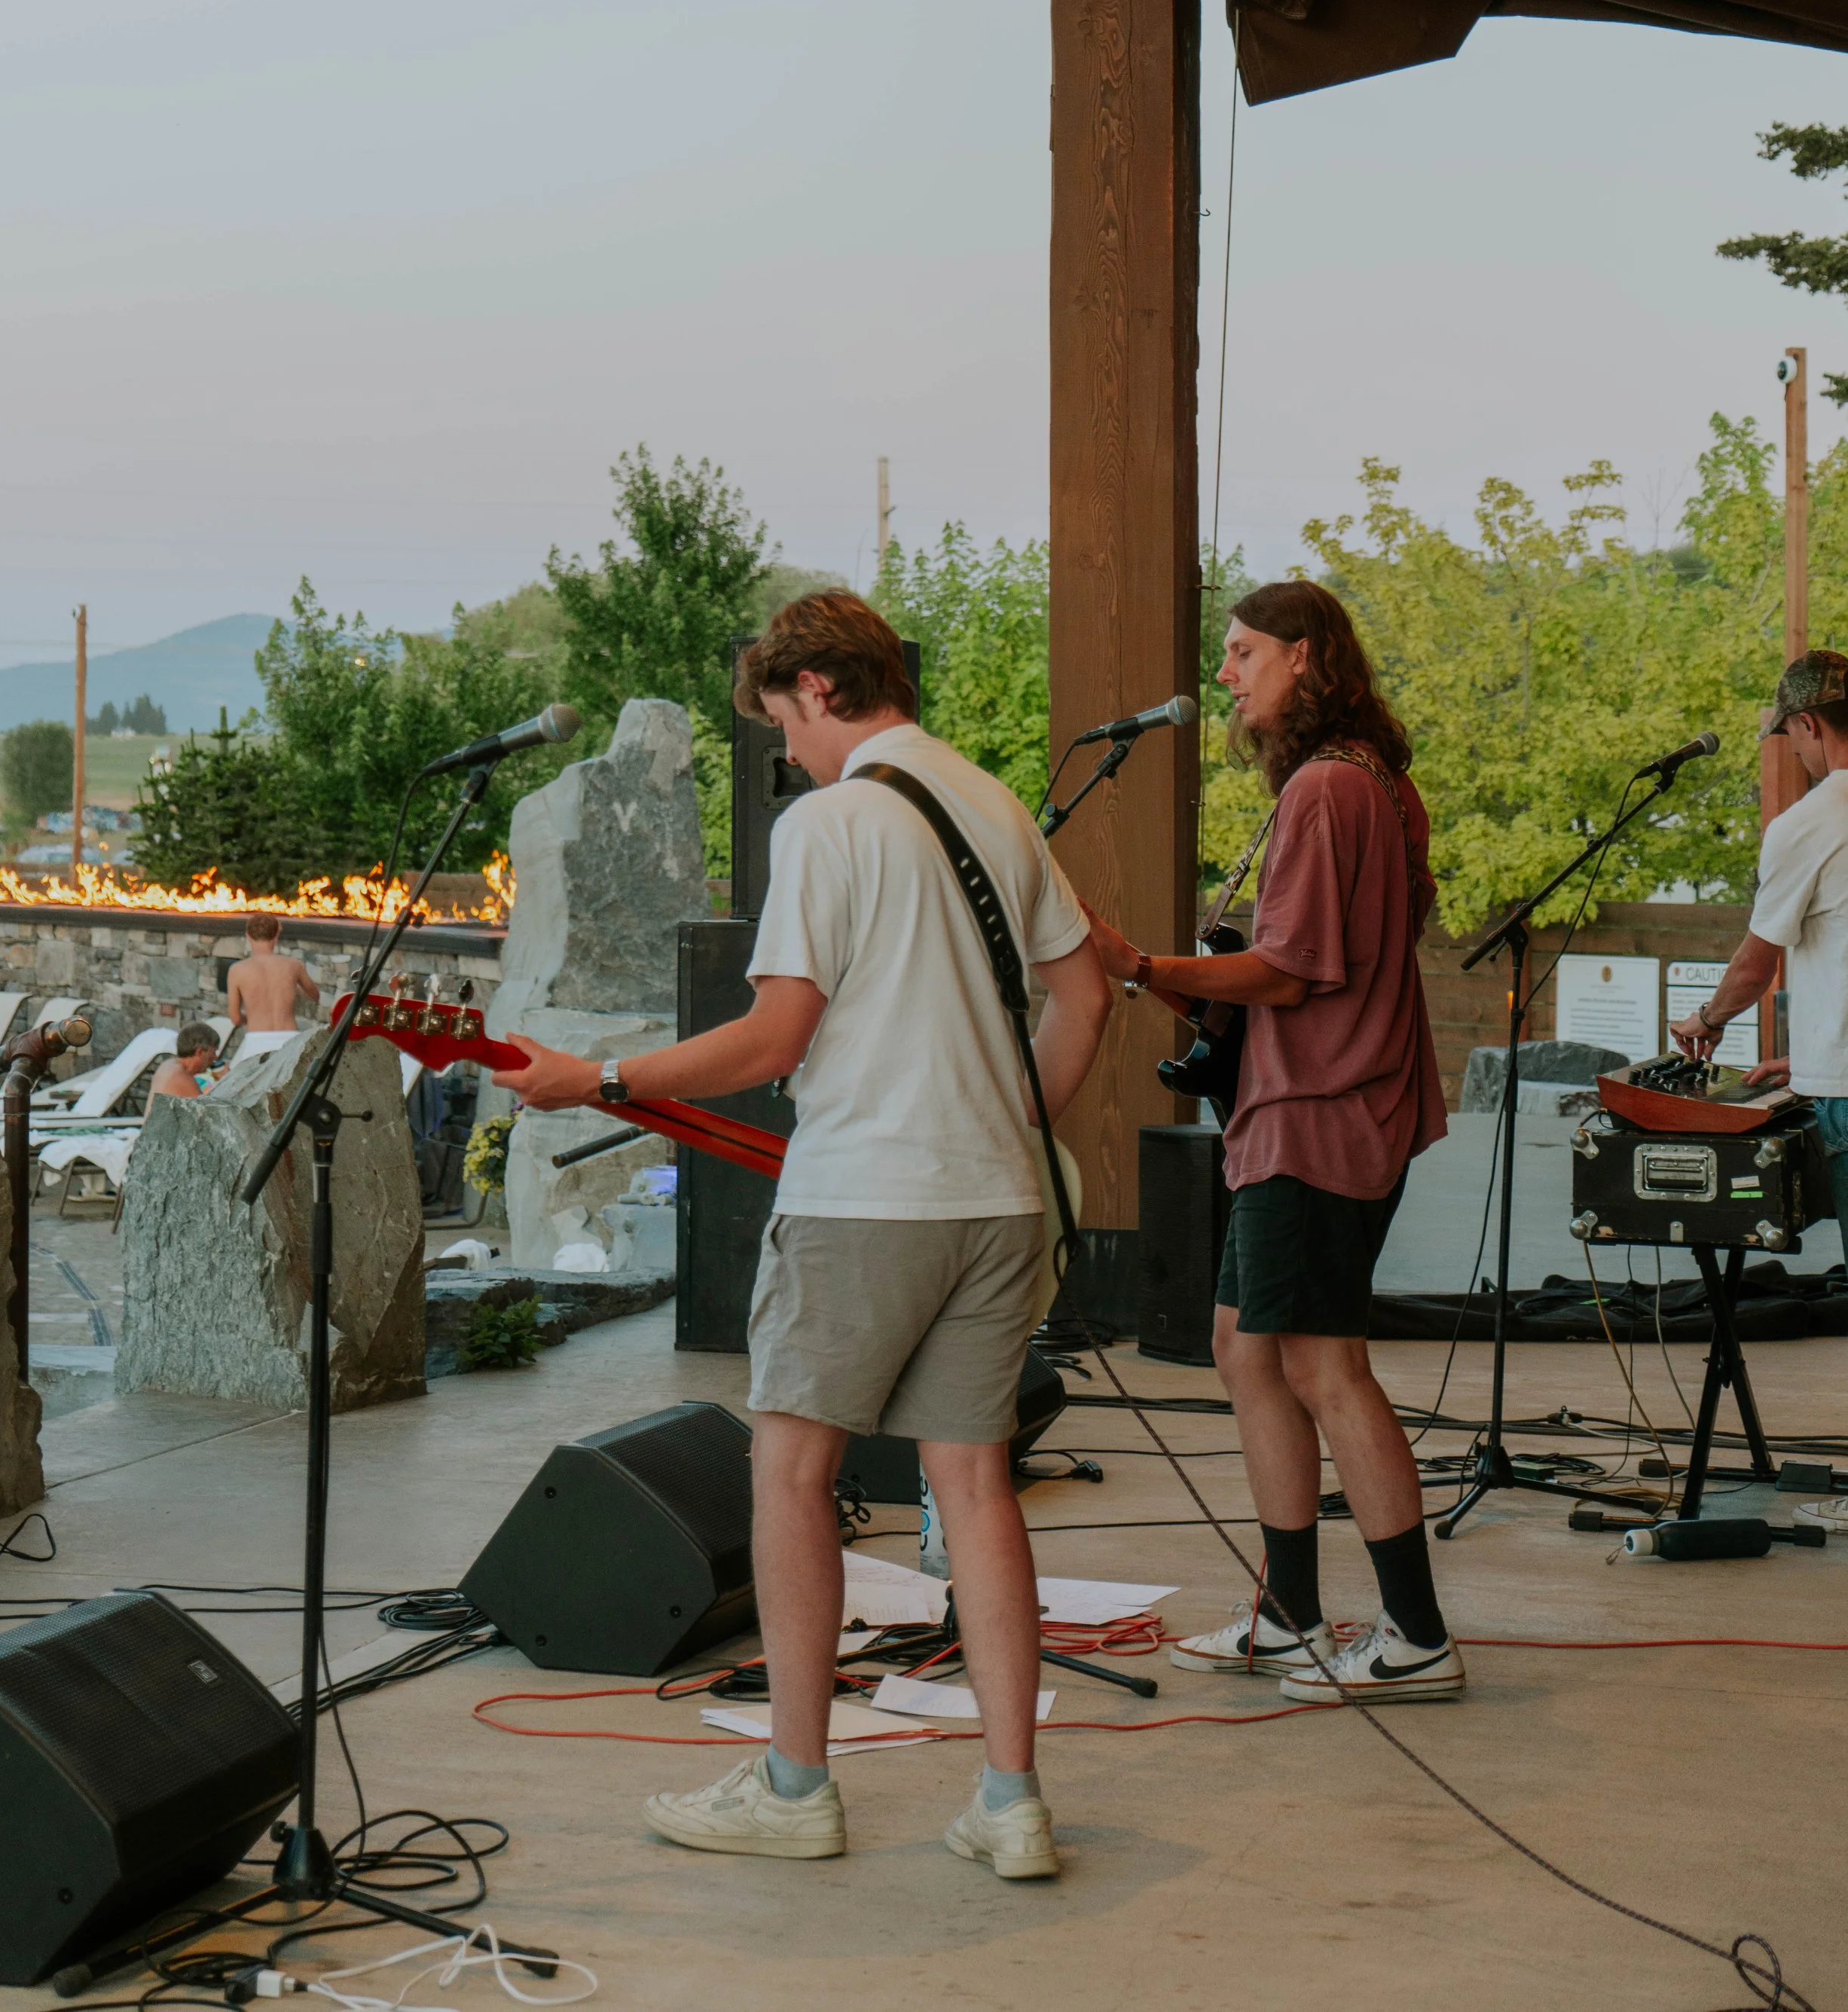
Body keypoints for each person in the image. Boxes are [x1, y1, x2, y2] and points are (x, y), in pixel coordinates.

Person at [493, 593, 1110, 1876]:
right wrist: (1005, 1120)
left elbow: (774, 1040)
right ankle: (1011, 1803)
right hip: (1001, 1198)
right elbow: (1086, 990)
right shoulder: (994, 802)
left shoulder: (830, 824)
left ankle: (794, 1786)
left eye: (783, 723)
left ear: (819, 688)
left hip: (865, 1199)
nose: (788, 752)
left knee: (788, 1476)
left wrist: (599, 1081)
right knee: (975, 1483)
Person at [1083, 579, 1461, 1704]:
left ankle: (1417, 1636)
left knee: (1325, 1366)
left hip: (1319, 1118)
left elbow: (1292, 973)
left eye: (1245, 652)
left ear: (1305, 657)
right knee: (1247, 1348)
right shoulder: (1374, 785)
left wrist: (1142, 966)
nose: (1228, 673)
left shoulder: (1327, 792)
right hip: (1321, 1110)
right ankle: (1291, 1614)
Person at [1669, 650, 1848, 1260]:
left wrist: (1708, 1020)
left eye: (1791, 736)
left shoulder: (1809, 824)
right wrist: (1812, 1056)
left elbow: (1755, 965)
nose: (1795, 751)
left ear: (1808, 724)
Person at [226, 914, 319, 1039]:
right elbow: (315, 995)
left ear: (248, 936)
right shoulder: (293, 965)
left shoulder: (237, 970)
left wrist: (252, 1018)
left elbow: (236, 1019)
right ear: (276, 936)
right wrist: (293, 990)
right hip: (289, 1038)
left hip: (257, 1037)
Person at [148, 1021, 221, 1101]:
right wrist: (223, 1081)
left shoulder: (168, 1065)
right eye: (213, 1052)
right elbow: (207, 1112)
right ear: (199, 1052)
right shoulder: (182, 1077)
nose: (215, 1057)